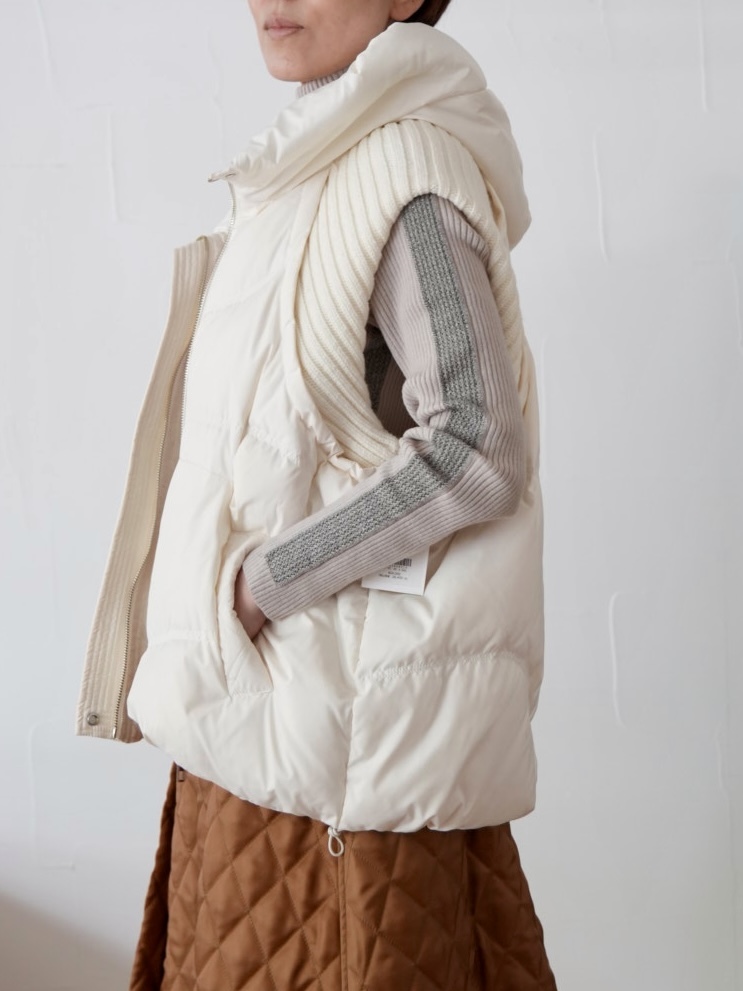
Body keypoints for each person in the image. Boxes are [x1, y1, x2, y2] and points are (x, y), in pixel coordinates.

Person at [78, 0, 557, 987]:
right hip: (266, 744)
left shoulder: (404, 170)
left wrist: (261, 584)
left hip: (334, 778)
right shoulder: (312, 164)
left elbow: (477, 444)